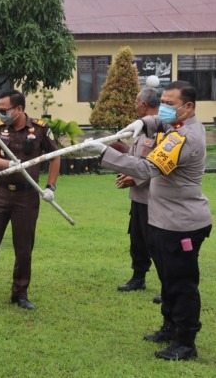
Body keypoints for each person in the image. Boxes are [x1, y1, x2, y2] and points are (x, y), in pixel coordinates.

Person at [87, 81, 211, 361]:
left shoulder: (185, 138)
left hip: (183, 224)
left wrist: (105, 152)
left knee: (181, 283)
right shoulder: (177, 125)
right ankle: (170, 327)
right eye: (162, 101)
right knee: (167, 279)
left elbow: (146, 167)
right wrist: (142, 122)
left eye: (170, 104)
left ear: (188, 107)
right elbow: (159, 121)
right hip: (162, 220)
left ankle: (186, 342)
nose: (164, 108)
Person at [0, 90, 60, 310]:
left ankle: (20, 294)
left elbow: (55, 156)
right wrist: (9, 165)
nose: (0, 113)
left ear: (19, 109)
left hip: (27, 196)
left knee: (23, 247)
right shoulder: (0, 129)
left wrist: (51, 187)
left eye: (3, 110)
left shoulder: (40, 129)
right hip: (0, 193)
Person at [115, 88, 160, 303]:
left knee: (157, 243)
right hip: (138, 199)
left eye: (136, 101)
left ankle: (167, 286)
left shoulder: (162, 132)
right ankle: (138, 278)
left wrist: (137, 178)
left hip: (156, 199)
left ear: (144, 105)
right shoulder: (140, 129)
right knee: (138, 241)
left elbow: (161, 166)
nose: (135, 105)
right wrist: (127, 174)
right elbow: (136, 159)